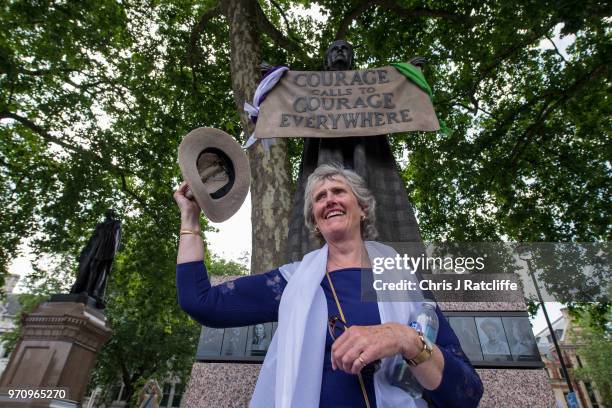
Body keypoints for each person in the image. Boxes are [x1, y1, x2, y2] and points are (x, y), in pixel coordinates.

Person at [174, 164, 483, 407]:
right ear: (315, 221)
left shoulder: (404, 280)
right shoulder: (290, 282)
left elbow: (466, 393)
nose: (329, 200)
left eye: (338, 191)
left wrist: (405, 339)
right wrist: (190, 221)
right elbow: (201, 301)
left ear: (362, 209)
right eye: (319, 198)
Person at [285, 40, 424, 263]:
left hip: (366, 153)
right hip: (325, 150)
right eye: (334, 49)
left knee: (373, 204)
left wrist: (408, 77)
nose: (340, 53)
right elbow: (287, 100)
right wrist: (274, 82)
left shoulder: (371, 87)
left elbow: (393, 92)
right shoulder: (310, 90)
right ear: (326, 59)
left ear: (351, 58)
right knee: (326, 191)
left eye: (345, 50)